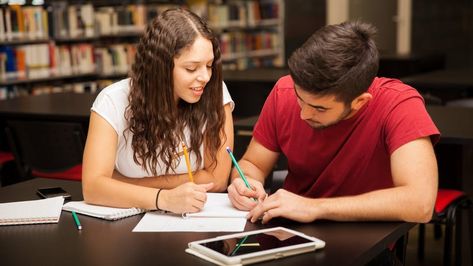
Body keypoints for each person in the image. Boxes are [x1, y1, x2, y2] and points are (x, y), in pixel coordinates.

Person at [227, 21, 440, 224]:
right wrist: (244, 182)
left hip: (366, 237)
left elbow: (420, 203)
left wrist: (315, 208)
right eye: (300, 98)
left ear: (359, 102)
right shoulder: (284, 91)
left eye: (320, 108)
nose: (304, 114)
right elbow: (252, 164)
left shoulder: (398, 104)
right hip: (289, 230)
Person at [82, 8, 234, 214]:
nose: (205, 77)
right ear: (160, 68)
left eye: (209, 65)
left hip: (196, 219)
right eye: (191, 68)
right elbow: (93, 188)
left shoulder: (215, 91)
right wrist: (163, 198)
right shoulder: (113, 101)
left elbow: (217, 180)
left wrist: (121, 184)